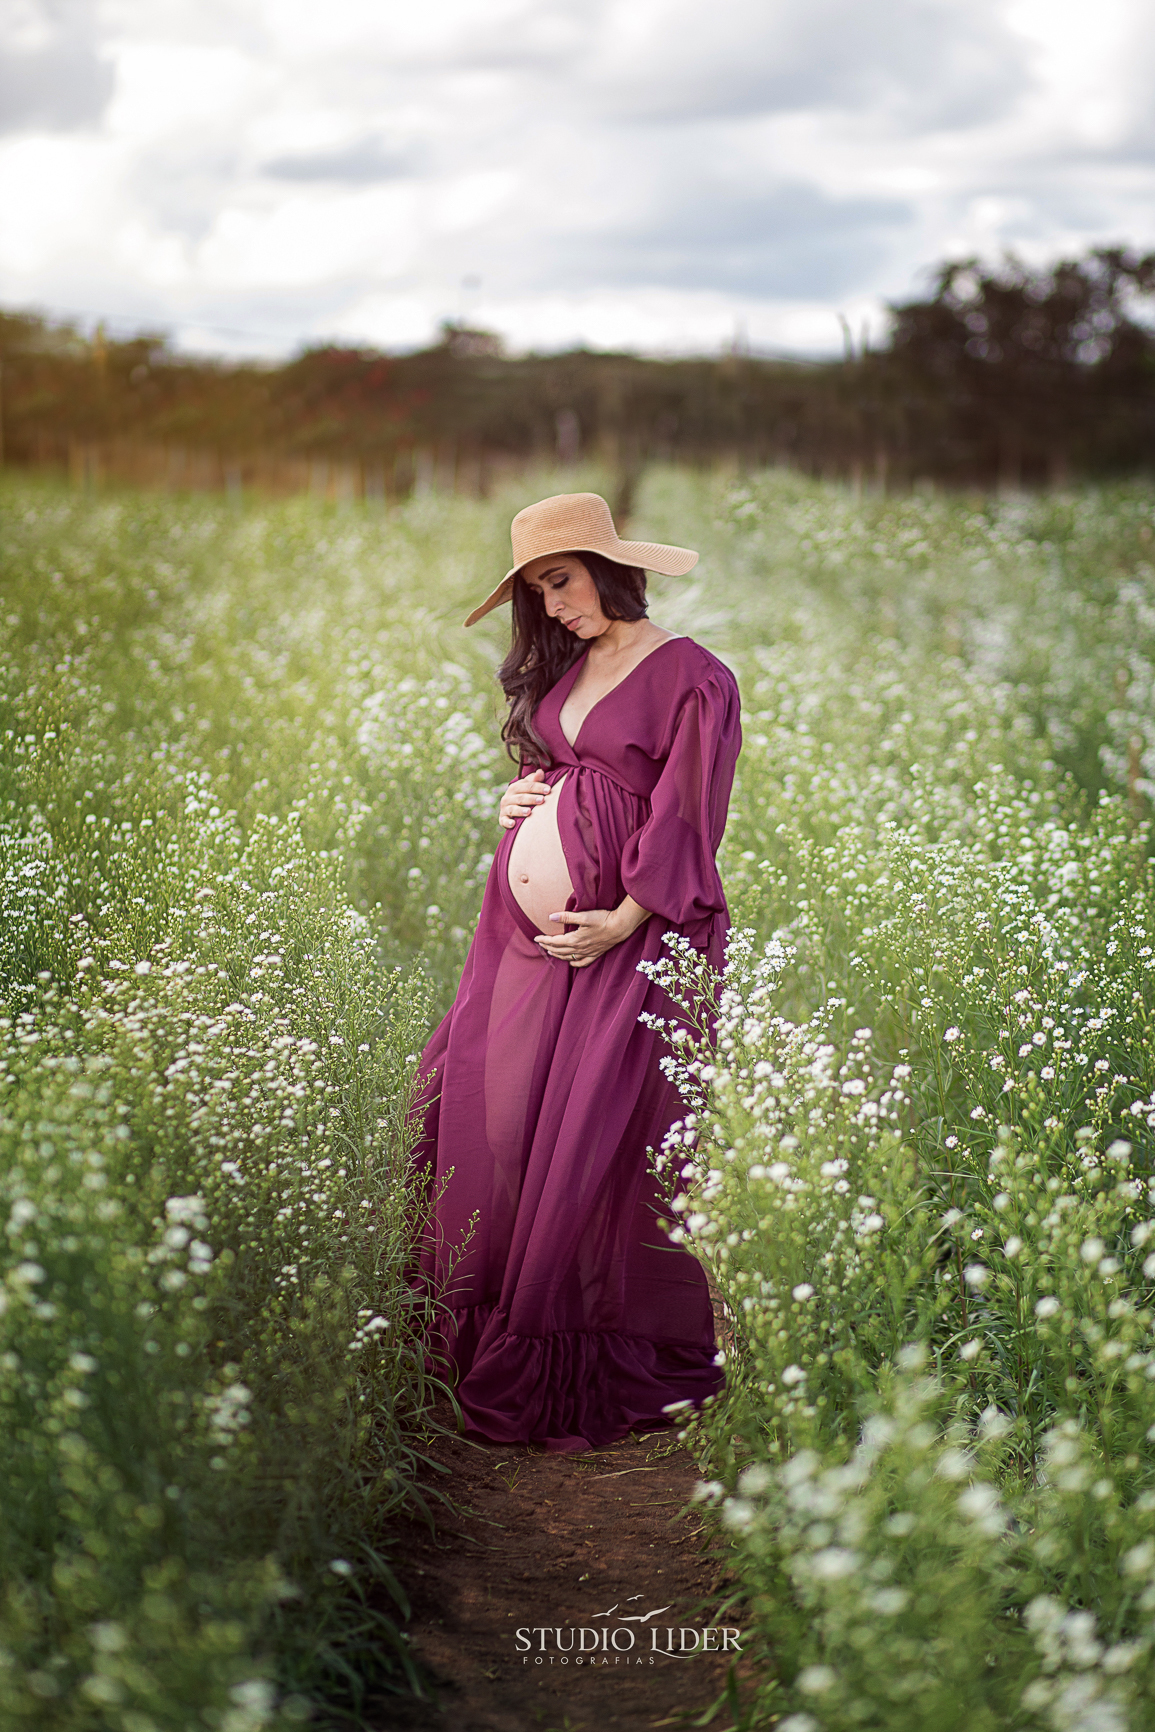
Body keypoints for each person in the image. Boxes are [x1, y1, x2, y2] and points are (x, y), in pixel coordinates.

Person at [411, 491, 741, 1452]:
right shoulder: (569, 664)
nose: (551, 607)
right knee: (502, 1118)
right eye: (536, 592)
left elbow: (687, 818)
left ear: (608, 566)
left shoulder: (692, 677)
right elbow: (571, 769)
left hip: (630, 933)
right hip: (525, 942)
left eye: (559, 581)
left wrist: (621, 920)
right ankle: (492, 1317)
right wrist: (529, 789)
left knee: (593, 1138)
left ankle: (576, 1349)